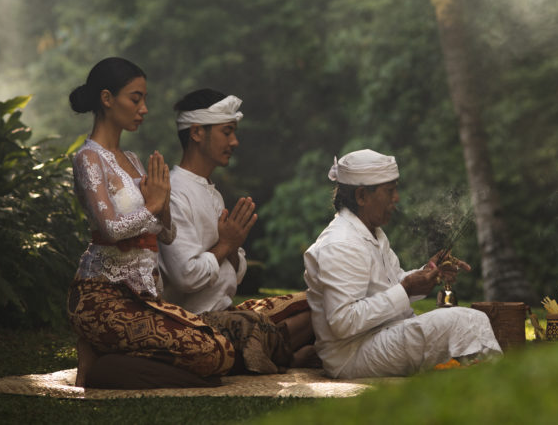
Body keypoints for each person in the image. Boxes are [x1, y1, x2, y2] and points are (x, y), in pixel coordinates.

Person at [66, 58, 291, 388]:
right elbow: (111, 228)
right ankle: (104, 368)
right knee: (214, 352)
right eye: (136, 98)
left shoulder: (133, 161)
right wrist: (156, 205)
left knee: (220, 349)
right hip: (102, 296)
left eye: (144, 99)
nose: (144, 108)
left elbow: (164, 233)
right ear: (106, 99)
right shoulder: (88, 158)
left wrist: (163, 211)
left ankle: (117, 363)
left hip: (144, 296)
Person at [303, 149, 502, 379]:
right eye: (390, 190)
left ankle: (484, 382)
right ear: (361, 196)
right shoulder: (340, 243)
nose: (396, 198)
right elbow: (343, 322)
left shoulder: (373, 233)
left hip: (380, 337)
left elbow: (392, 283)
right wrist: (406, 289)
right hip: (351, 356)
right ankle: (493, 387)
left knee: (469, 318)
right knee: (461, 320)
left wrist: (427, 274)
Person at [158, 89, 316, 365]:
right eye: (227, 132)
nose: (235, 141)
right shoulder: (174, 193)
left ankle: (290, 353)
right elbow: (186, 277)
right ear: (197, 133)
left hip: (227, 310)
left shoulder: (213, 193)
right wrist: (226, 246)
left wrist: (230, 248)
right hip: (196, 323)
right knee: (318, 318)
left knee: (319, 300)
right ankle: (290, 355)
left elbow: (237, 271)